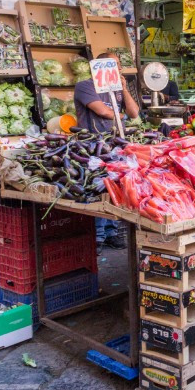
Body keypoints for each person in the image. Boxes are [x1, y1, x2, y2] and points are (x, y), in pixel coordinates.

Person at [74, 52, 140, 251]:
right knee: (98, 187)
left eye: (119, 65)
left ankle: (111, 232)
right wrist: (122, 118)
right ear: (99, 67)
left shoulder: (117, 89)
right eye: (113, 65)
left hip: (115, 144)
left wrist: (124, 89)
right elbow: (103, 111)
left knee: (114, 187)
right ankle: (98, 236)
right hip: (93, 145)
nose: (118, 69)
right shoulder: (85, 86)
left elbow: (134, 113)